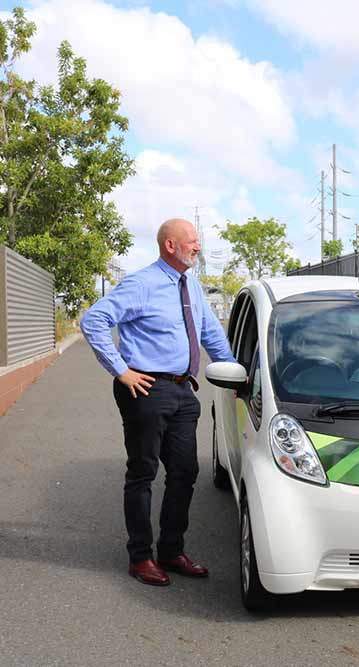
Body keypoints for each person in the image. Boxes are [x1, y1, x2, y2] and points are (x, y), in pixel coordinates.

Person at [81, 218, 237, 586]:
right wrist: (121, 370)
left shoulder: (192, 285)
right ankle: (140, 557)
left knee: (185, 472)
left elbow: (211, 333)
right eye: (193, 241)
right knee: (143, 473)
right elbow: (94, 320)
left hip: (183, 390)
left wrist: (234, 372)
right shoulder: (142, 283)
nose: (198, 246)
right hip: (146, 388)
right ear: (171, 245)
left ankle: (171, 551)